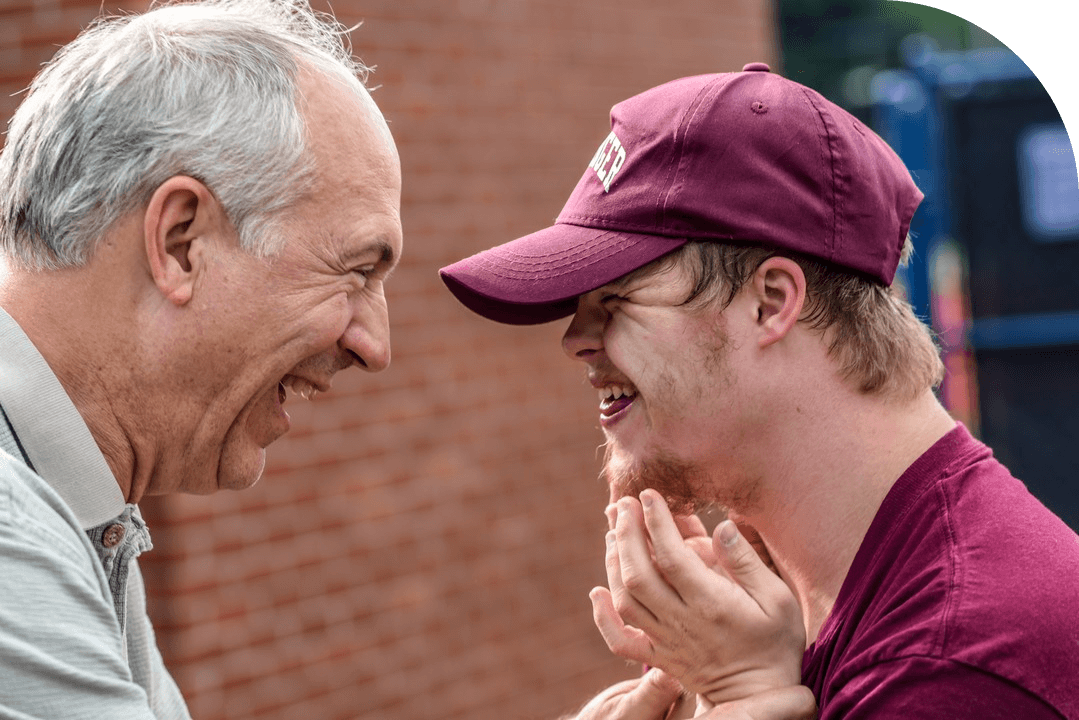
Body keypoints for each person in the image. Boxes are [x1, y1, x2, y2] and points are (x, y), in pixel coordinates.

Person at [440, 63, 1079, 719]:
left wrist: (743, 695)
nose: (575, 339)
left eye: (616, 299)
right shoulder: (835, 594)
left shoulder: (951, 668)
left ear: (770, 303)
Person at [0, 0, 402, 716]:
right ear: (182, 241)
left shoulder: (73, 506)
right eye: (355, 272)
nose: (374, 345)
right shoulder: (11, 528)